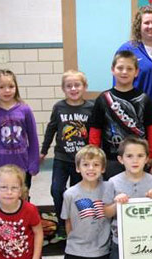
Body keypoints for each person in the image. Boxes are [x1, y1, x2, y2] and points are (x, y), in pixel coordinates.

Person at [88, 50, 152, 179]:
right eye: (120, 68)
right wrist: (94, 154)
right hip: (111, 160)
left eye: (129, 68)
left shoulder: (144, 99)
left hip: (138, 159)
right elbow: (95, 128)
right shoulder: (103, 99)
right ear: (113, 70)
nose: (124, 72)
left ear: (136, 72)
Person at [40, 70, 93, 243]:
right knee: (57, 190)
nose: (73, 88)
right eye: (68, 86)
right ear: (63, 88)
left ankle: (79, 222)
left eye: (77, 85)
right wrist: (44, 150)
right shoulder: (59, 107)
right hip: (62, 158)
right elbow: (51, 129)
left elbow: (94, 132)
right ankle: (62, 222)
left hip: (82, 161)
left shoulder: (90, 108)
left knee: (78, 192)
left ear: (84, 87)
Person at [104, 136, 152, 259]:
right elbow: (106, 213)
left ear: (147, 158)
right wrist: (117, 204)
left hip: (147, 239)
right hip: (120, 240)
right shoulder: (113, 182)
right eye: (129, 156)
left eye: (140, 156)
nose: (135, 160)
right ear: (120, 159)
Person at [58, 145, 112, 259]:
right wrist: (72, 242)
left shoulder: (109, 187)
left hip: (99, 249)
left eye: (96, 165)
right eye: (86, 164)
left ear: (102, 168)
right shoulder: (70, 194)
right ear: (78, 168)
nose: (91, 168)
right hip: (76, 248)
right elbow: (67, 221)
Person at [0, 69, 39, 191]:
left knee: (22, 198)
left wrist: (33, 163)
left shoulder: (25, 110)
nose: (7, 91)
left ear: (16, 88)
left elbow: (33, 138)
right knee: (6, 198)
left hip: (23, 165)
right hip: (1, 167)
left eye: (11, 86)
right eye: (1, 87)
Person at [115, 5, 152, 103]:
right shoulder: (127, 50)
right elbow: (118, 85)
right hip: (135, 111)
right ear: (139, 26)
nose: (151, 26)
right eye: (146, 23)